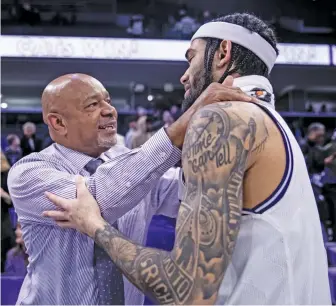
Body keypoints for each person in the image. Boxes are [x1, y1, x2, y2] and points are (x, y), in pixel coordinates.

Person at [44, 13, 331, 304]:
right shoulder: (274, 123)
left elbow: (187, 289)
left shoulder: (222, 119)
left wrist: (94, 225)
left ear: (223, 53)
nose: (183, 75)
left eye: (190, 58)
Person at [8, 73, 252, 305]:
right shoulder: (28, 173)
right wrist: (183, 125)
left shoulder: (131, 162)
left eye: (108, 101)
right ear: (58, 122)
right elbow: (100, 201)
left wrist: (243, 152)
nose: (109, 110)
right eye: (92, 105)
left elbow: (189, 192)